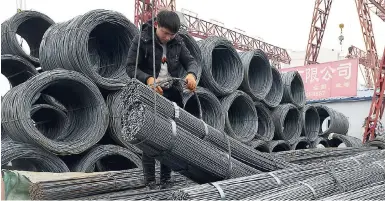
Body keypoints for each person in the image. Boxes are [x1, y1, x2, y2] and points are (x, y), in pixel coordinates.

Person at [126, 10, 199, 189]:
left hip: (170, 95)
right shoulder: (142, 39)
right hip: (149, 93)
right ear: (157, 25)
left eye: (171, 35)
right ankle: (150, 181)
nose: (167, 38)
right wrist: (148, 79)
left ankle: (166, 179)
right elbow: (130, 67)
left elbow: (191, 61)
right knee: (150, 136)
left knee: (169, 137)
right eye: (165, 33)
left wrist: (191, 74)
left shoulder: (177, 42)